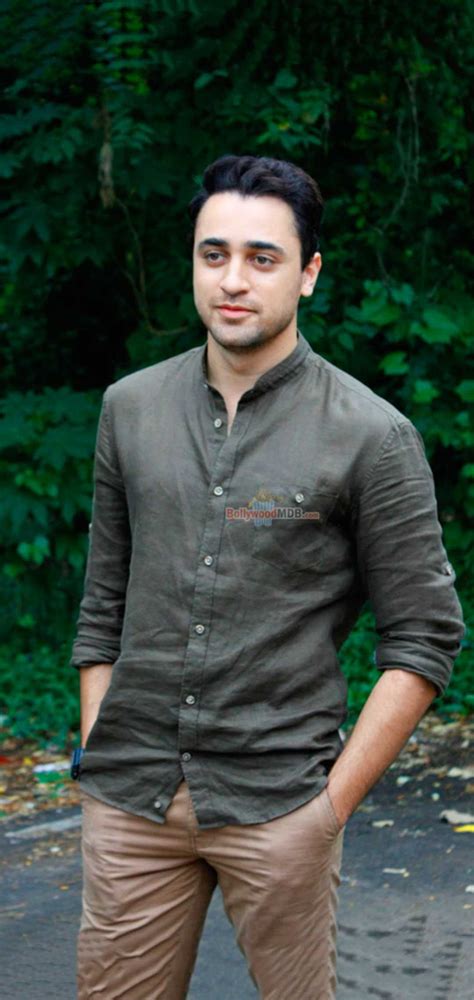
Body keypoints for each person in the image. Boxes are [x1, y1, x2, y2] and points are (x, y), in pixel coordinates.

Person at [70, 154, 464, 1000]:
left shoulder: (371, 436)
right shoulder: (129, 408)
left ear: (308, 272)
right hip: (131, 801)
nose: (233, 280)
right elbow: (103, 603)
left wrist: (327, 813)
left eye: (262, 257)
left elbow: (425, 637)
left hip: (281, 805)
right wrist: (100, 745)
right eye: (213, 254)